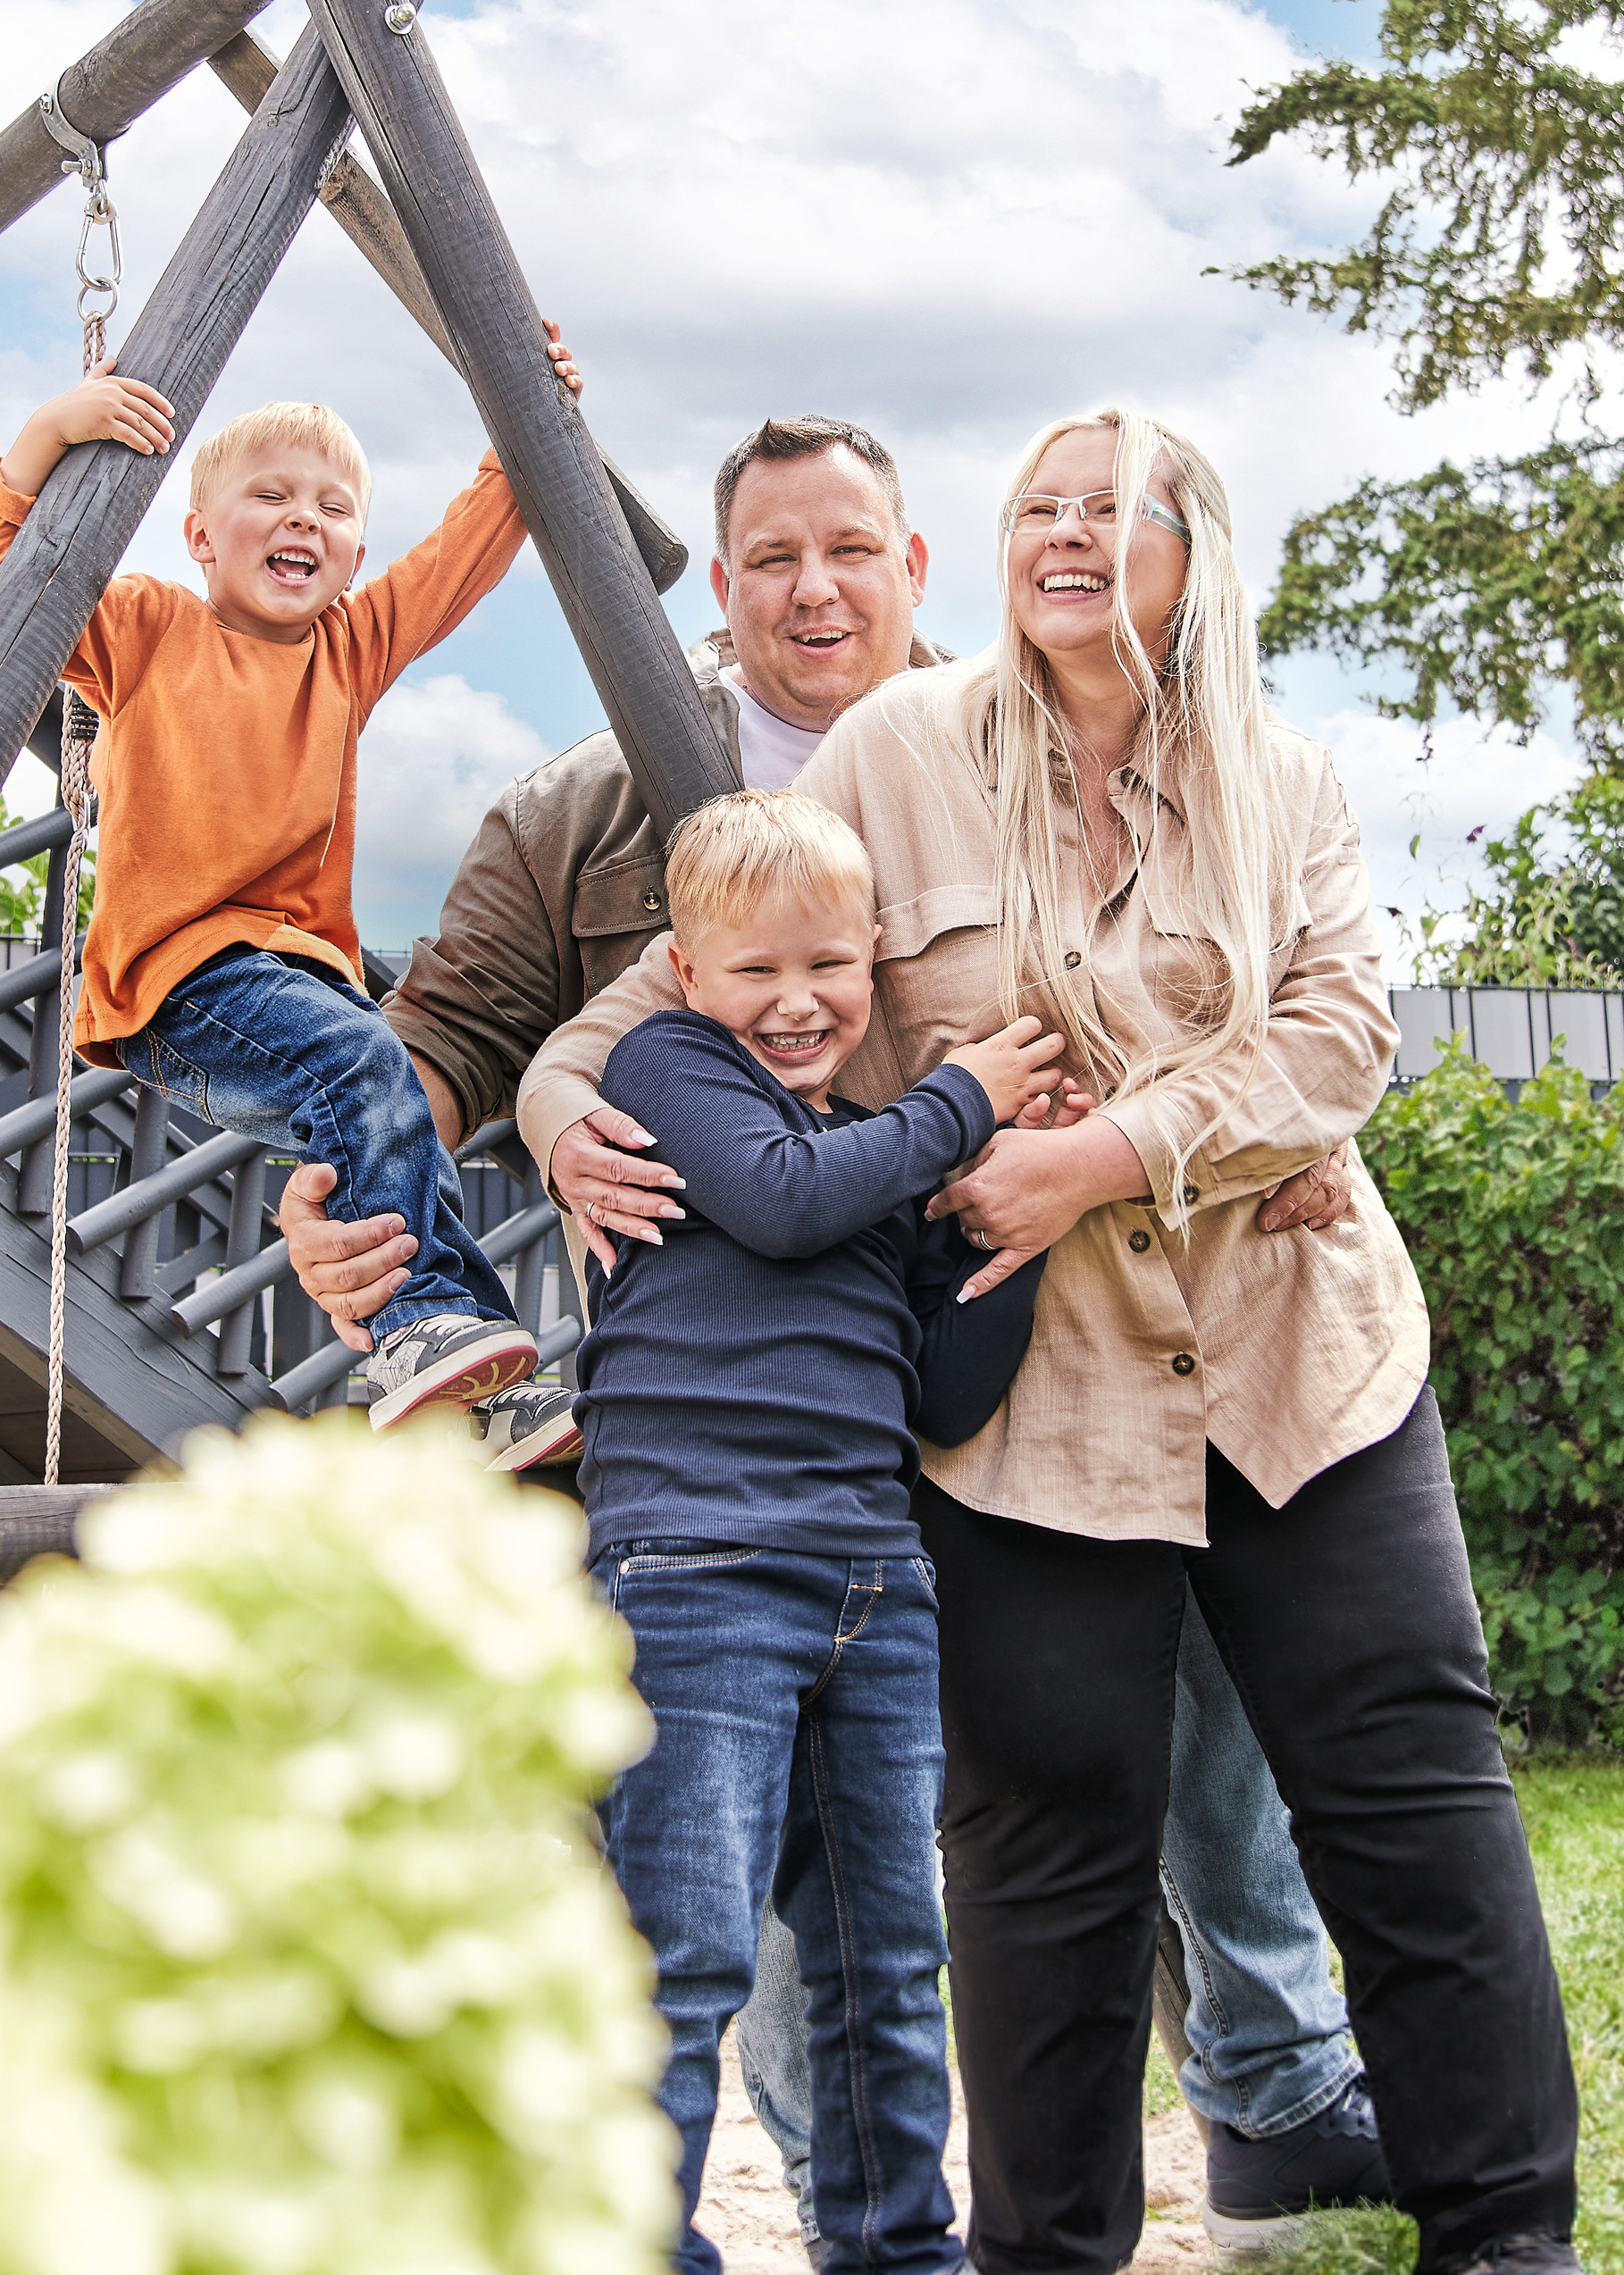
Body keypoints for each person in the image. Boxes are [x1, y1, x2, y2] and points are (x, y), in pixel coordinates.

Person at [284, 415, 1395, 2248]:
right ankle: (831, 2200)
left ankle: (1270, 2070)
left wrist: (1297, 1136)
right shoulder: (588, 805)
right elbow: (461, 1028)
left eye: (852, 549)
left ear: (915, 564)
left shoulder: (1022, 745)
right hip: (740, 1437)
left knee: (1163, 1690)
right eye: (774, 559)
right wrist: (376, 1180)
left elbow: (1225, 977)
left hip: (1016, 1339)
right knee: (789, 1882)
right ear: (719, 587)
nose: (815, 589)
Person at [508, 406, 1584, 2275]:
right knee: (1045, 1845)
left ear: (1194, 553)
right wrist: (551, 1103)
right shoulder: (899, 752)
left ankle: (1505, 2237)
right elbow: (705, 966)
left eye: (1111, 508)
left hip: (1297, 1359)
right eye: (1040, 507)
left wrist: (1102, 1153)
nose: (1065, 532)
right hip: (1039, 1401)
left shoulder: (1286, 780)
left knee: (1412, 1793)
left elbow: (1338, 1034)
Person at [581, 789, 1059, 2275]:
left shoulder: (881, 1151)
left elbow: (948, 1394)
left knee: (886, 1958)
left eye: (827, 967)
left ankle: (896, 2251)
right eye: (755, 970)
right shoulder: (667, 1073)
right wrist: (965, 1099)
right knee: (684, 1951)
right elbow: (781, 1203)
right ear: (686, 972)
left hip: (871, 1579)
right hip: (697, 1567)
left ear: (871, 963)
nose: (794, 1003)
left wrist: (1012, 1235)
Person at [0, 347, 583, 1451]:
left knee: (398, 1126)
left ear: (352, 554)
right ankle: (413, 1330)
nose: (304, 518)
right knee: (363, 1063)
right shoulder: (149, 628)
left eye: (333, 508)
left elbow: (460, 559)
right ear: (201, 535)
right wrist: (48, 434)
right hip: (178, 976)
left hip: (296, 981)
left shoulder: (349, 649)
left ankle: (474, 1383)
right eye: (272, 496)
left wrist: (528, 410)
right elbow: (2, 586)